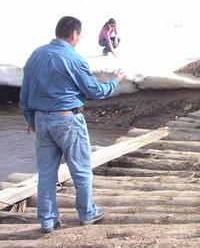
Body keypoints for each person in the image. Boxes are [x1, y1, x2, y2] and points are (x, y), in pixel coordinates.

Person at [19, 16, 125, 233]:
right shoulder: (73, 59)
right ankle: (87, 213)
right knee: (81, 168)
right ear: (75, 35)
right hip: (67, 119)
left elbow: (25, 95)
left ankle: (48, 220)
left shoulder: (36, 55)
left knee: (46, 173)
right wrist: (114, 81)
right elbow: (94, 91)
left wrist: (31, 119)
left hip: (41, 119)